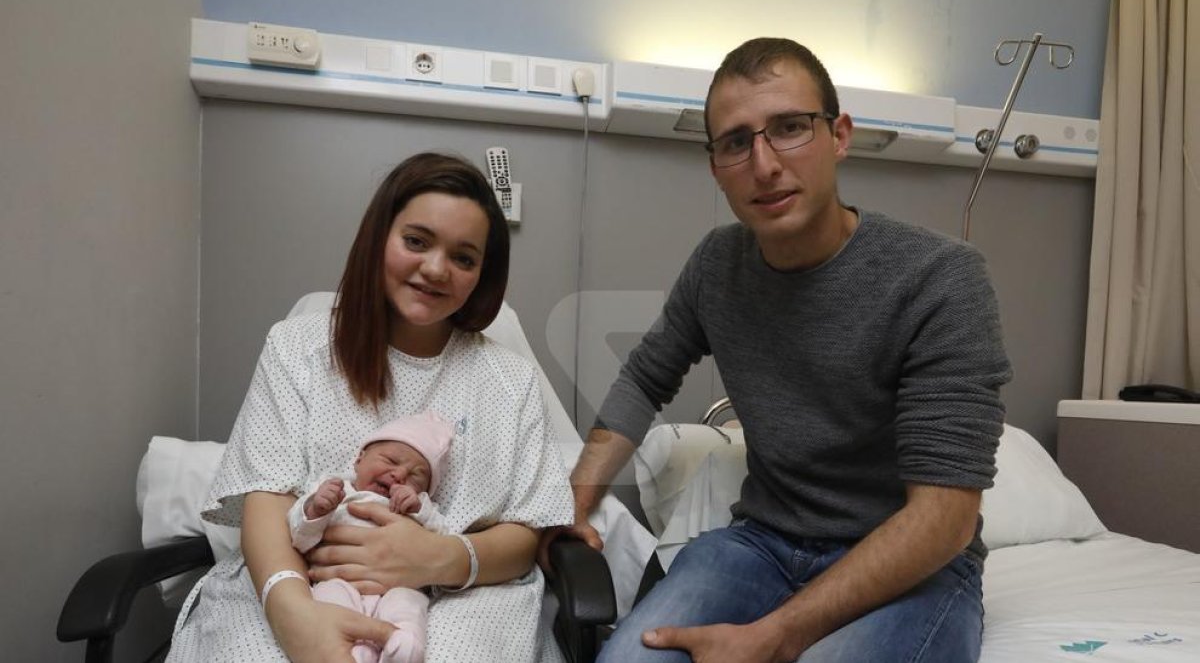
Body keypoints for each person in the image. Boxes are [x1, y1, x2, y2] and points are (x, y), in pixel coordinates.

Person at [548, 38, 1013, 663]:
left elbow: (944, 518)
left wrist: (776, 638)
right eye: (736, 142)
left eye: (790, 128)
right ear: (716, 165)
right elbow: (643, 380)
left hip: (911, 568)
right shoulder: (718, 266)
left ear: (839, 135)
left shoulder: (938, 278)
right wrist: (572, 501)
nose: (764, 164)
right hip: (762, 544)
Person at [167, 152, 575, 663]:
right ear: (378, 236)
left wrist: (441, 558)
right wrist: (295, 617)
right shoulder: (298, 348)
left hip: (463, 593)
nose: (435, 269)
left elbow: (525, 530)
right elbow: (266, 499)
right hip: (299, 576)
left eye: (464, 258)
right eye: (416, 241)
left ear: (482, 275)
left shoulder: (509, 381)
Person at [290, 411, 455, 663]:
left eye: (416, 476)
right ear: (359, 459)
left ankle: (404, 646)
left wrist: (420, 508)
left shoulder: (420, 508)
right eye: (390, 460)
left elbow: (444, 541)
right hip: (340, 580)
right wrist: (315, 509)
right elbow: (300, 539)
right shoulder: (336, 491)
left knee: (408, 604)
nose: (399, 475)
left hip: (398, 586)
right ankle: (354, 651)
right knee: (330, 597)